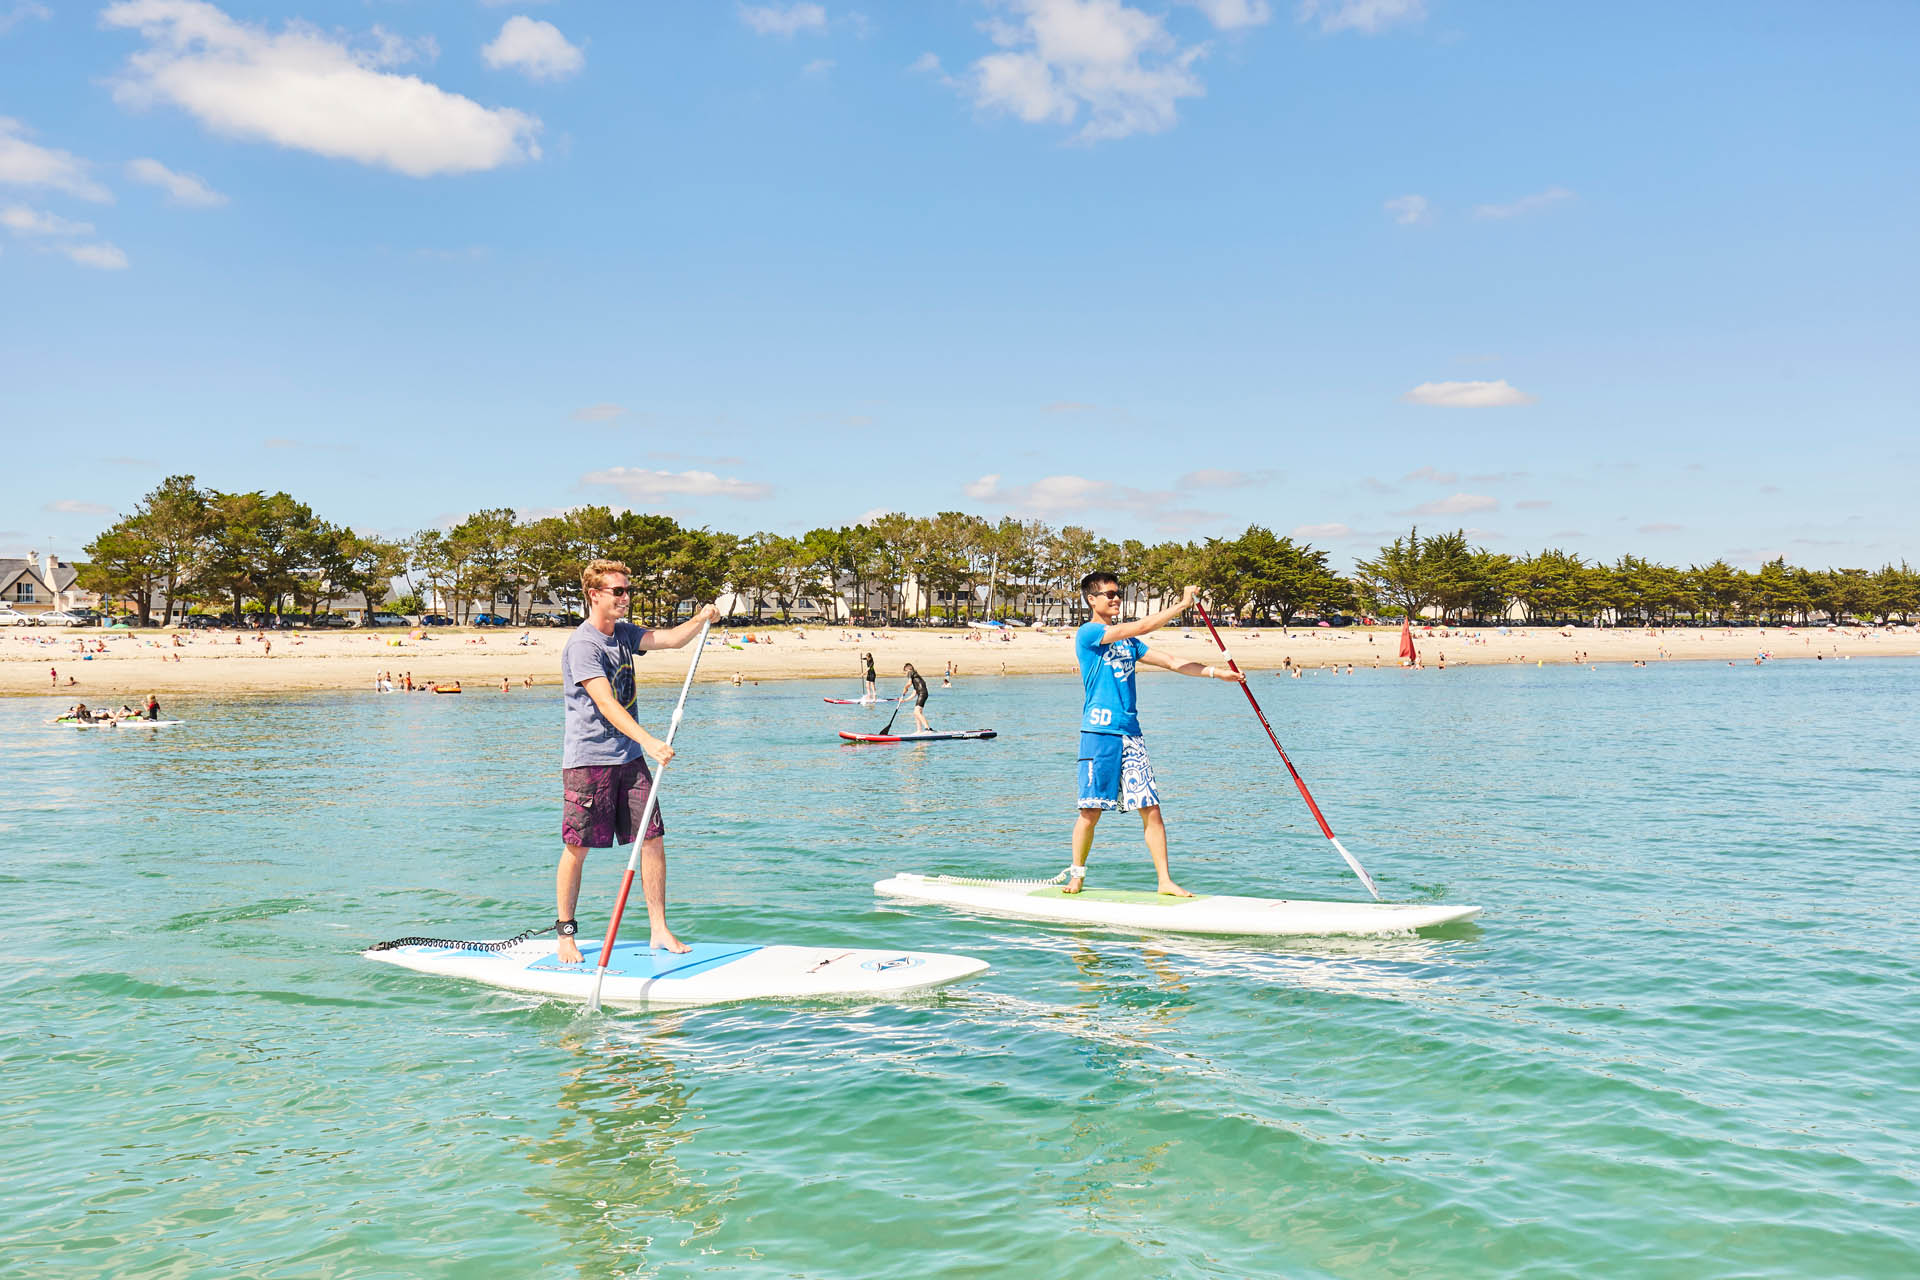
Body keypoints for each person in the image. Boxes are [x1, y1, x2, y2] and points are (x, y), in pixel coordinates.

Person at [556, 559, 721, 962]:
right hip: (589, 761)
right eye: (618, 591)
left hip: (629, 758)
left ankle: (658, 928)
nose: (626, 598)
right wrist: (649, 740)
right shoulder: (584, 645)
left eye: (628, 590)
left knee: (652, 840)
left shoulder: (625, 634)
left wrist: (702, 617)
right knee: (578, 848)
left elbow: (670, 640)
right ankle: (565, 935)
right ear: (594, 595)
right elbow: (606, 703)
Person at [1066, 576, 1243, 896]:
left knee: (1151, 808)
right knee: (1090, 811)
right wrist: (1181, 604)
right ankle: (1077, 875)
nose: (1116, 599)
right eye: (1109, 595)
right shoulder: (1089, 633)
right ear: (1092, 600)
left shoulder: (1130, 645)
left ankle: (1165, 881)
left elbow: (1173, 662)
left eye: (1118, 594)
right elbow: (1141, 626)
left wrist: (1218, 673)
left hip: (1131, 735)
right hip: (1099, 734)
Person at [901, 662, 932, 733]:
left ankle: (928, 729)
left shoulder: (910, 672)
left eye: (905, 672)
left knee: (917, 712)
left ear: (907, 669)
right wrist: (904, 700)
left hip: (922, 693)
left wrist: (905, 688)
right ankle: (919, 730)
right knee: (916, 712)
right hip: (923, 694)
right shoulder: (916, 678)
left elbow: (909, 683)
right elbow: (914, 693)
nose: (905, 674)